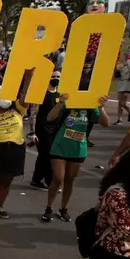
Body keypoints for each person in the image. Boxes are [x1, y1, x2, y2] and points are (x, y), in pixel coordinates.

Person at [42, 94, 110, 223]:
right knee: (58, 177)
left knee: (69, 179)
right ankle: (49, 207)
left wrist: (101, 107)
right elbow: (50, 117)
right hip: (60, 146)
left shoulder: (91, 107)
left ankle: (63, 208)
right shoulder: (67, 103)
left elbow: (106, 124)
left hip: (78, 149)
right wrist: (60, 103)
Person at [0, 73, 30, 219]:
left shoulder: (18, 110)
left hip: (14, 151)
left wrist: (27, 78)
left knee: (6, 183)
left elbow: (26, 96)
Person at [29, 71, 62, 190]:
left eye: (58, 77)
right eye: (53, 77)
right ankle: (49, 181)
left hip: (55, 128)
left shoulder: (59, 94)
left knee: (46, 155)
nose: (56, 79)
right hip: (42, 127)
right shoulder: (41, 94)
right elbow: (33, 113)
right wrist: (32, 132)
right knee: (47, 154)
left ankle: (36, 179)